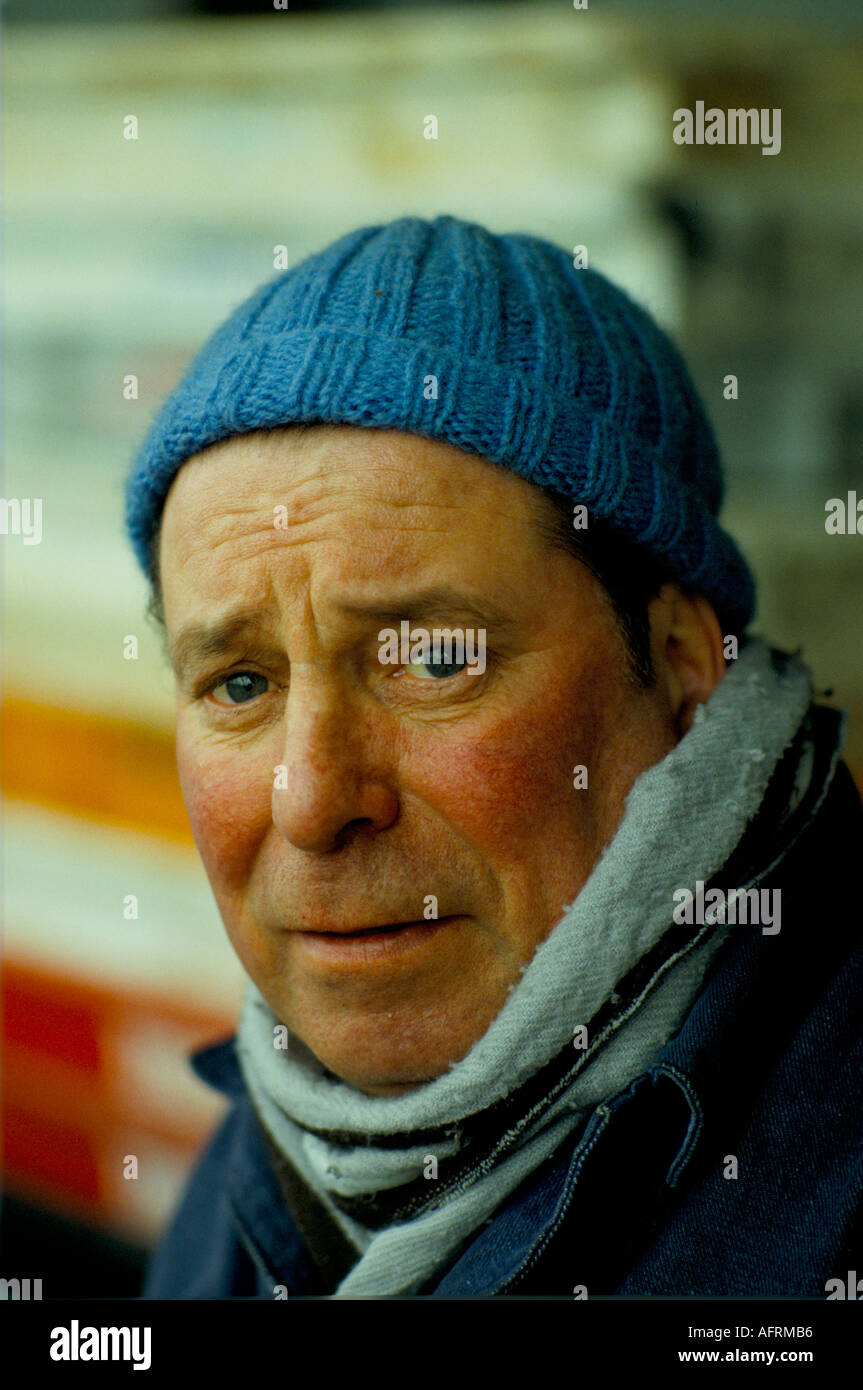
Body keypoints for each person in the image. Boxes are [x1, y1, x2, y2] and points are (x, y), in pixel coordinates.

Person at [125, 214, 862, 1298]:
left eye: (431, 658)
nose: (313, 798)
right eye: (240, 683)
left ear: (677, 666)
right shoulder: (265, 1149)